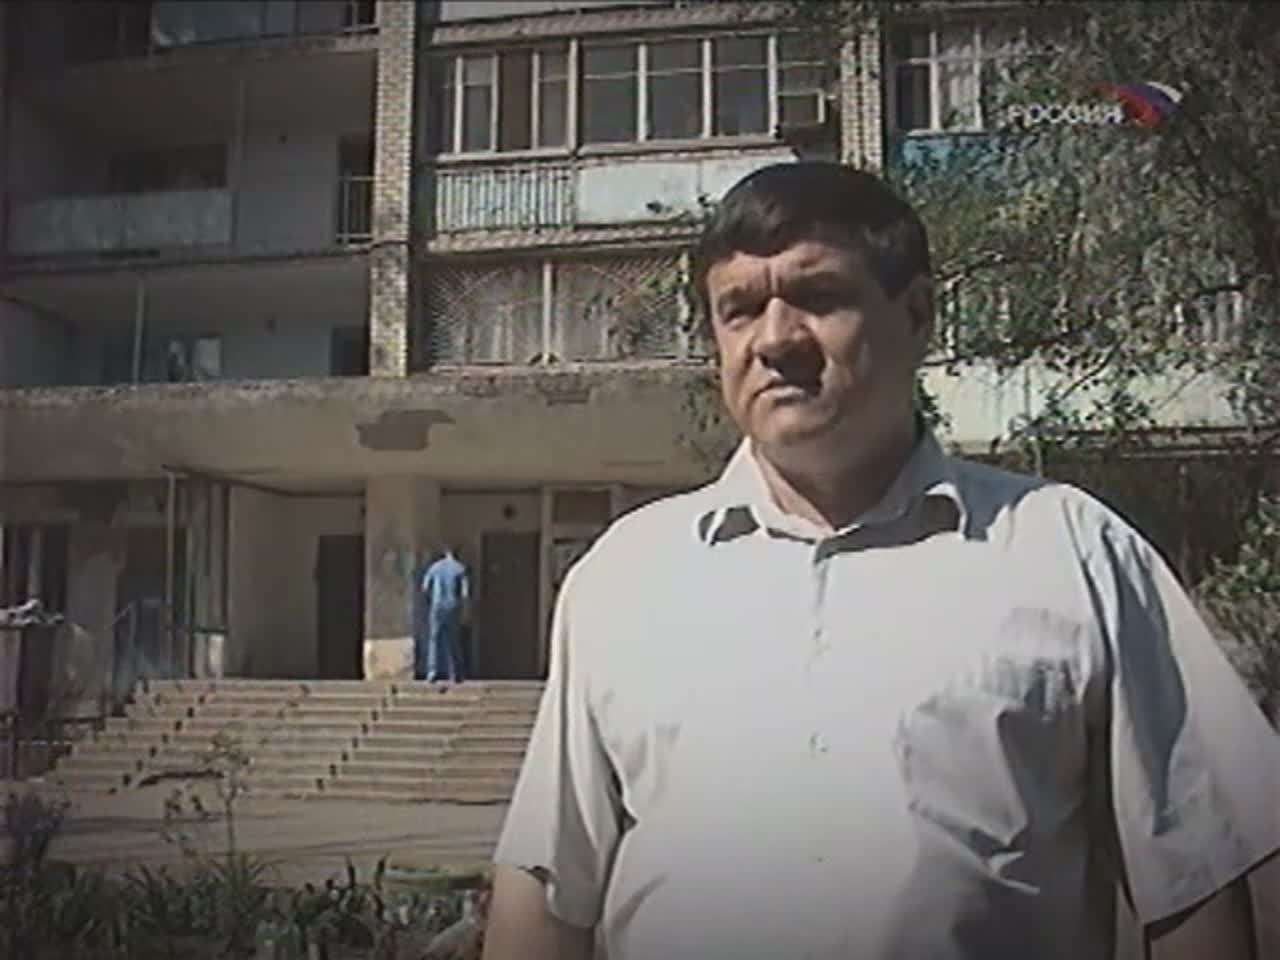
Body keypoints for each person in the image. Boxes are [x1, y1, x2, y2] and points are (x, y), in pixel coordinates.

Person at [481, 162, 1280, 960]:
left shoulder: (1072, 552)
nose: (775, 340)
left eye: (820, 296)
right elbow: (547, 893)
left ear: (918, 313)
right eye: (740, 309)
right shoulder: (624, 579)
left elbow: (1195, 882)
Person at [419, 545, 469, 685]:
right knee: (453, 640)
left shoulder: (434, 568)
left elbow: (425, 588)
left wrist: (429, 602)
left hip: (437, 606)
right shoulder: (460, 568)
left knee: (434, 639)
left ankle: (432, 672)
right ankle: (455, 673)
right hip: (452, 607)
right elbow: (465, 593)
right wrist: (464, 610)